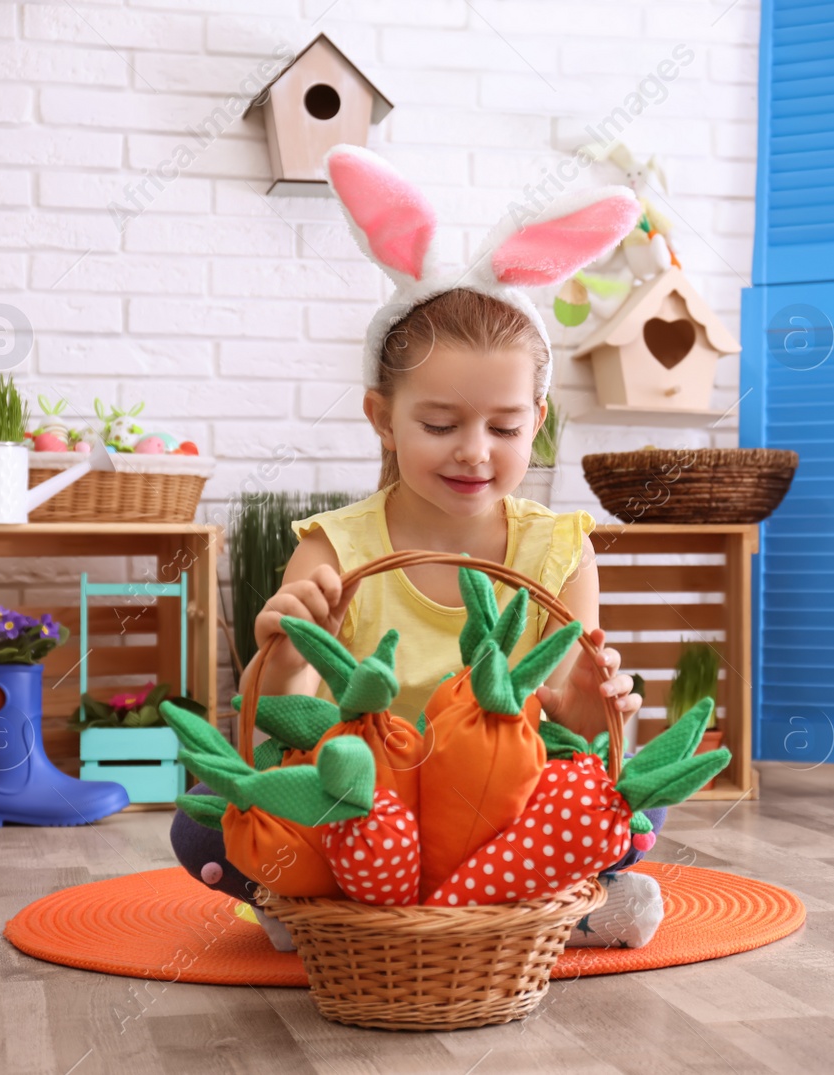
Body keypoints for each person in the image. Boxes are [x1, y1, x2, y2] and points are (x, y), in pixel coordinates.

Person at [235, 146, 664, 944]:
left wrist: (602, 701)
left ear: (535, 421)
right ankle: (549, 909)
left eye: (503, 427)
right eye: (440, 425)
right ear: (381, 418)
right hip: (375, 810)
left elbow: (566, 716)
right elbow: (284, 721)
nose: (474, 450)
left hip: (501, 805)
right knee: (210, 826)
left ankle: (354, 913)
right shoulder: (335, 548)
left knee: (639, 803)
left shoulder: (560, 549)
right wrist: (287, 653)